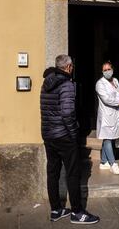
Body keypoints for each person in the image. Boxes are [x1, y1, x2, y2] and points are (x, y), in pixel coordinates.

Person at [40, 54, 100, 225]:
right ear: (67, 67)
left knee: (53, 171)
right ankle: (77, 212)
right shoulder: (66, 84)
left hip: (48, 134)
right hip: (64, 136)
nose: (72, 68)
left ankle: (56, 209)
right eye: (72, 66)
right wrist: (74, 133)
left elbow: (46, 110)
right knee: (73, 173)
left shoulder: (46, 83)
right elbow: (67, 113)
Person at [95, 61, 119, 175]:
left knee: (109, 137)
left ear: (112, 69)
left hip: (115, 114)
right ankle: (113, 164)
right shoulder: (100, 84)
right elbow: (107, 99)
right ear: (102, 72)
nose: (107, 71)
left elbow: (117, 94)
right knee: (107, 138)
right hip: (106, 115)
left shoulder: (116, 81)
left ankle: (104, 162)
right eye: (105, 70)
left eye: (109, 69)